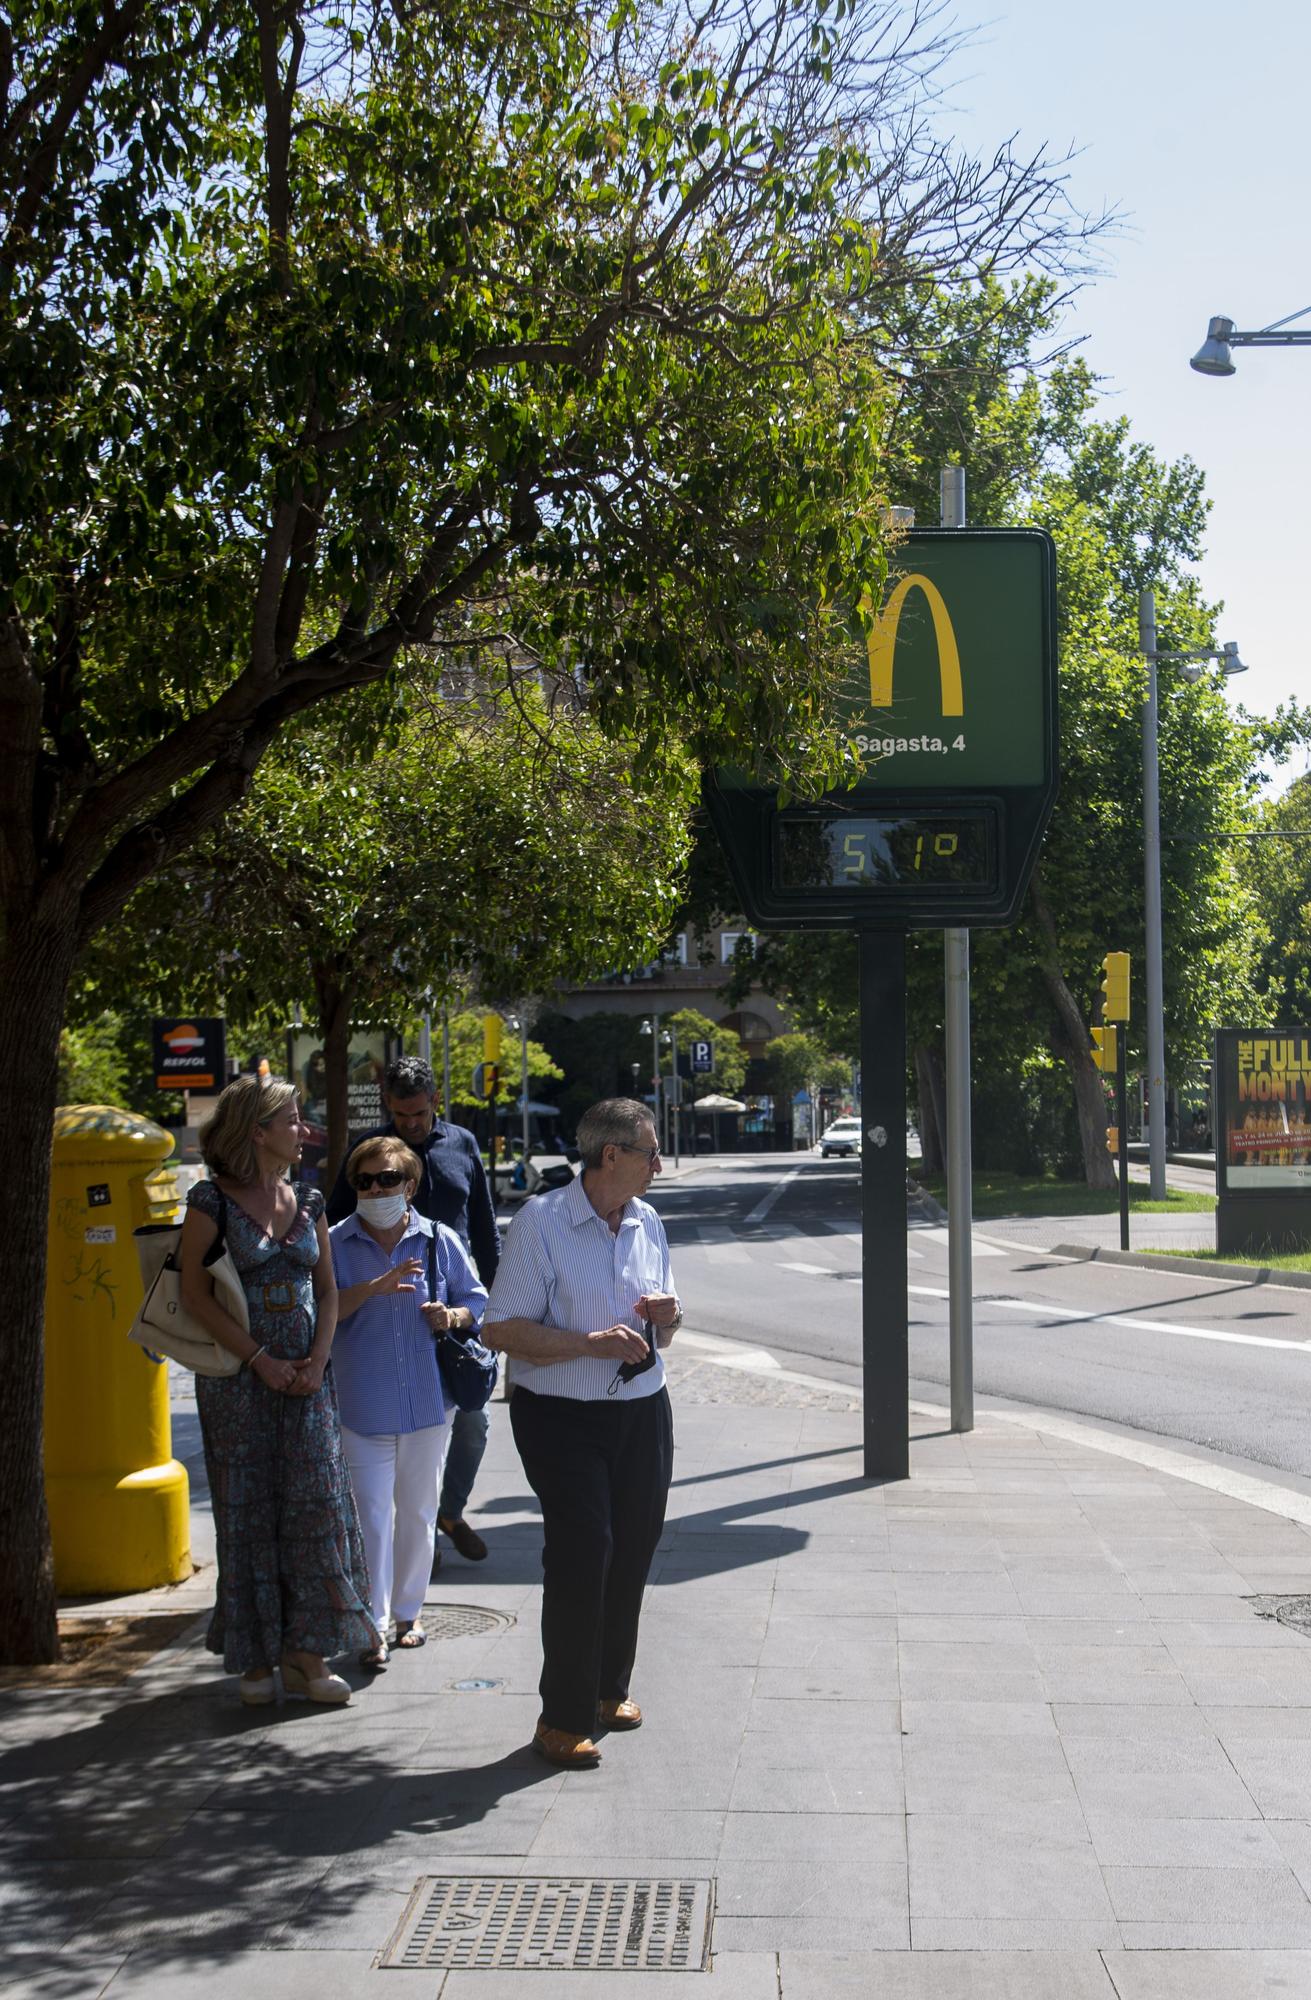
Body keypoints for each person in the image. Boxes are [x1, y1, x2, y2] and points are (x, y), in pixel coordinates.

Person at [483, 1097, 681, 1769]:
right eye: (650, 1153)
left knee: (631, 1548)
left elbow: (666, 1329)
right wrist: (586, 1343)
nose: (659, 1164)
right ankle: (559, 1719)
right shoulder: (541, 1222)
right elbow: (500, 1329)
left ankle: (605, 1691)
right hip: (558, 1414)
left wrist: (668, 1316)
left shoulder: (647, 1219)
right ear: (610, 1156)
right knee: (583, 1549)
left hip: (641, 1409)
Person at [178, 1074, 378, 1707]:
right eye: (294, 1120)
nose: (306, 1130)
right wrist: (259, 1359)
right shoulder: (211, 1202)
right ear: (257, 1131)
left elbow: (326, 1291)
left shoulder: (311, 1201)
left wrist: (318, 1360)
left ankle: (307, 1657)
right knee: (248, 1514)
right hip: (239, 1387)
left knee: (316, 1513)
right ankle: (256, 1660)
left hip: (308, 1385)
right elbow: (192, 1295)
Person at [327, 1054, 499, 1564]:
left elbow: (485, 1230)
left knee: (473, 1423)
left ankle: (447, 1511)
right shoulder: (372, 1156)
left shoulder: (463, 1146)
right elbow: (339, 1226)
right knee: (395, 1444)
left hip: (455, 1311)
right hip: (388, 1316)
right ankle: (419, 1541)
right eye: (401, 1116)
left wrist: (497, 1309)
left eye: (419, 1115)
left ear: (435, 1102)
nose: (411, 1124)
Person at [330, 1135, 488, 1668]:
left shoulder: (437, 1239)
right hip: (361, 1403)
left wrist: (453, 1316)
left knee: (418, 1514)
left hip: (426, 1403)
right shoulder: (334, 1242)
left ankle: (408, 1613)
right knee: (370, 1516)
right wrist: (371, 1289)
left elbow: (477, 1299)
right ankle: (372, 1625)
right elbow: (317, 1312)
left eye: (387, 1179)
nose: (375, 1189)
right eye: (365, 1180)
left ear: (410, 1185)